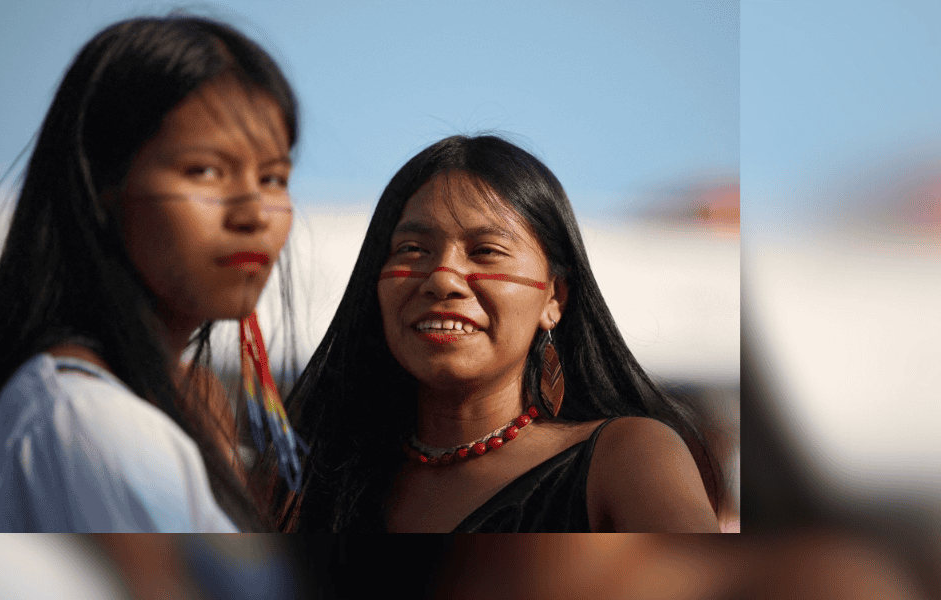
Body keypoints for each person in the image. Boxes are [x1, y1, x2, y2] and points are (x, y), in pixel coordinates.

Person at [0, 15, 304, 532]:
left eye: (274, 177)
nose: (254, 211)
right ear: (101, 187)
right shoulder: (84, 420)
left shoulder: (143, 406)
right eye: (205, 170)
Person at [283, 135, 722, 532]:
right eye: (412, 249)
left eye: (486, 252)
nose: (443, 280)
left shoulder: (626, 459)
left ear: (555, 299)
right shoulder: (312, 480)